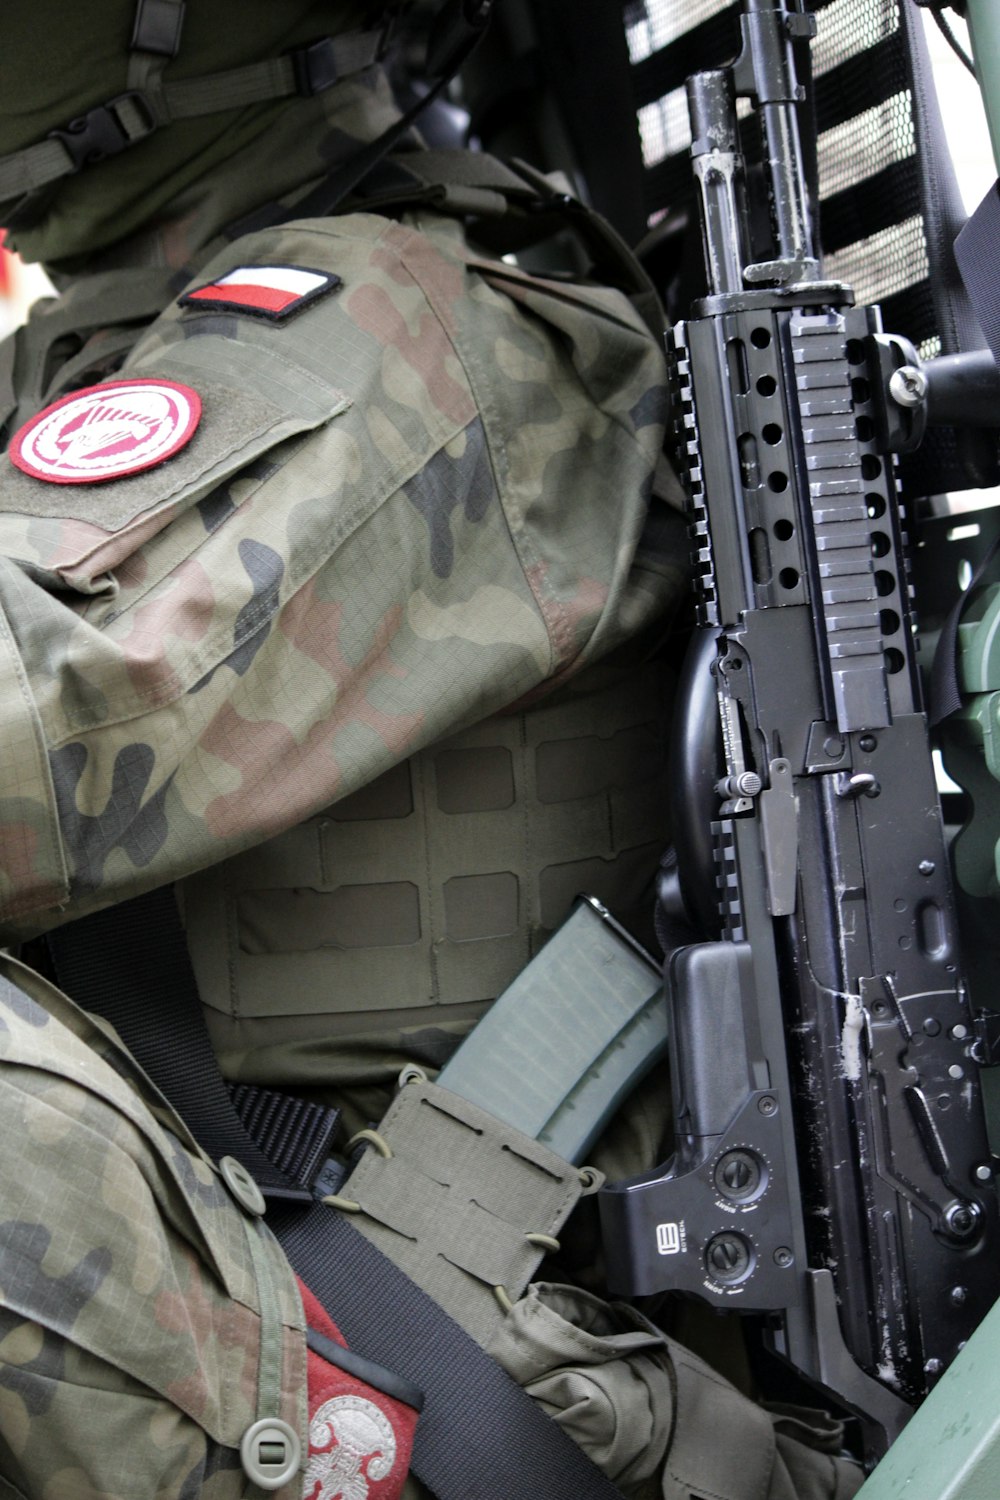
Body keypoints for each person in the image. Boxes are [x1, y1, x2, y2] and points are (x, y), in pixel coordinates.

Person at [0, 4, 864, 1497]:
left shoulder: (379, 317)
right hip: (307, 1295)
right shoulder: (135, 334)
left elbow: (37, 720)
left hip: (446, 1390)